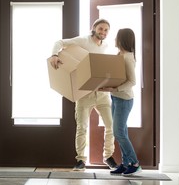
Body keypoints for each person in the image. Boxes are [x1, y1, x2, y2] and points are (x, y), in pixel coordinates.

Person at [50, 18, 117, 171]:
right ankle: (81, 160)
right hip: (84, 94)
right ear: (94, 28)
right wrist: (54, 55)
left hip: (102, 94)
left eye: (106, 30)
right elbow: (59, 42)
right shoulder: (83, 41)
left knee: (111, 126)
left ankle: (108, 156)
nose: (103, 32)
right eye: (101, 29)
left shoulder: (106, 46)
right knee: (82, 127)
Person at [99, 28, 141, 176]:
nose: (114, 39)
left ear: (122, 39)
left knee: (118, 133)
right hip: (116, 98)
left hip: (124, 100)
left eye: (117, 37)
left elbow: (132, 81)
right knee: (121, 132)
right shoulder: (120, 55)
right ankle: (125, 163)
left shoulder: (128, 57)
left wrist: (114, 89)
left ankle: (135, 163)